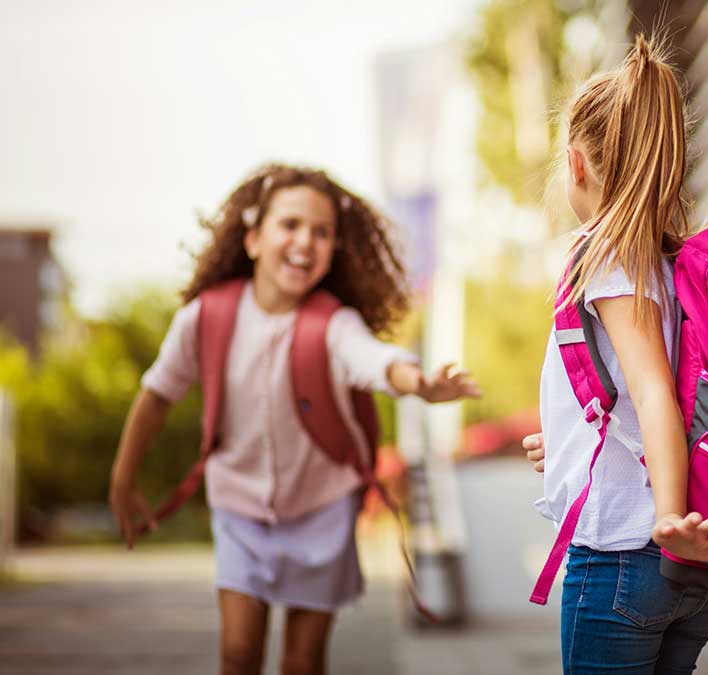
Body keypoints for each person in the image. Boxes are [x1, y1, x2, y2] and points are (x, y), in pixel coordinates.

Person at [108, 164, 479, 675]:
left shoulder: (333, 324)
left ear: (334, 251)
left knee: (303, 662)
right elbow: (156, 395)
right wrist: (123, 478)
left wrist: (420, 383)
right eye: (290, 225)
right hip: (239, 507)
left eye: (322, 232)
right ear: (254, 239)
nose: (305, 240)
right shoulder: (206, 317)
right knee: (238, 653)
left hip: (321, 508)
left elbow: (374, 360)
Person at [530, 35, 708, 675]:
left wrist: (670, 518)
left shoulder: (608, 254)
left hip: (629, 550)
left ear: (577, 164)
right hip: (690, 573)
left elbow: (651, 391)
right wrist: (564, 437)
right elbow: (649, 389)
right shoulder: (668, 261)